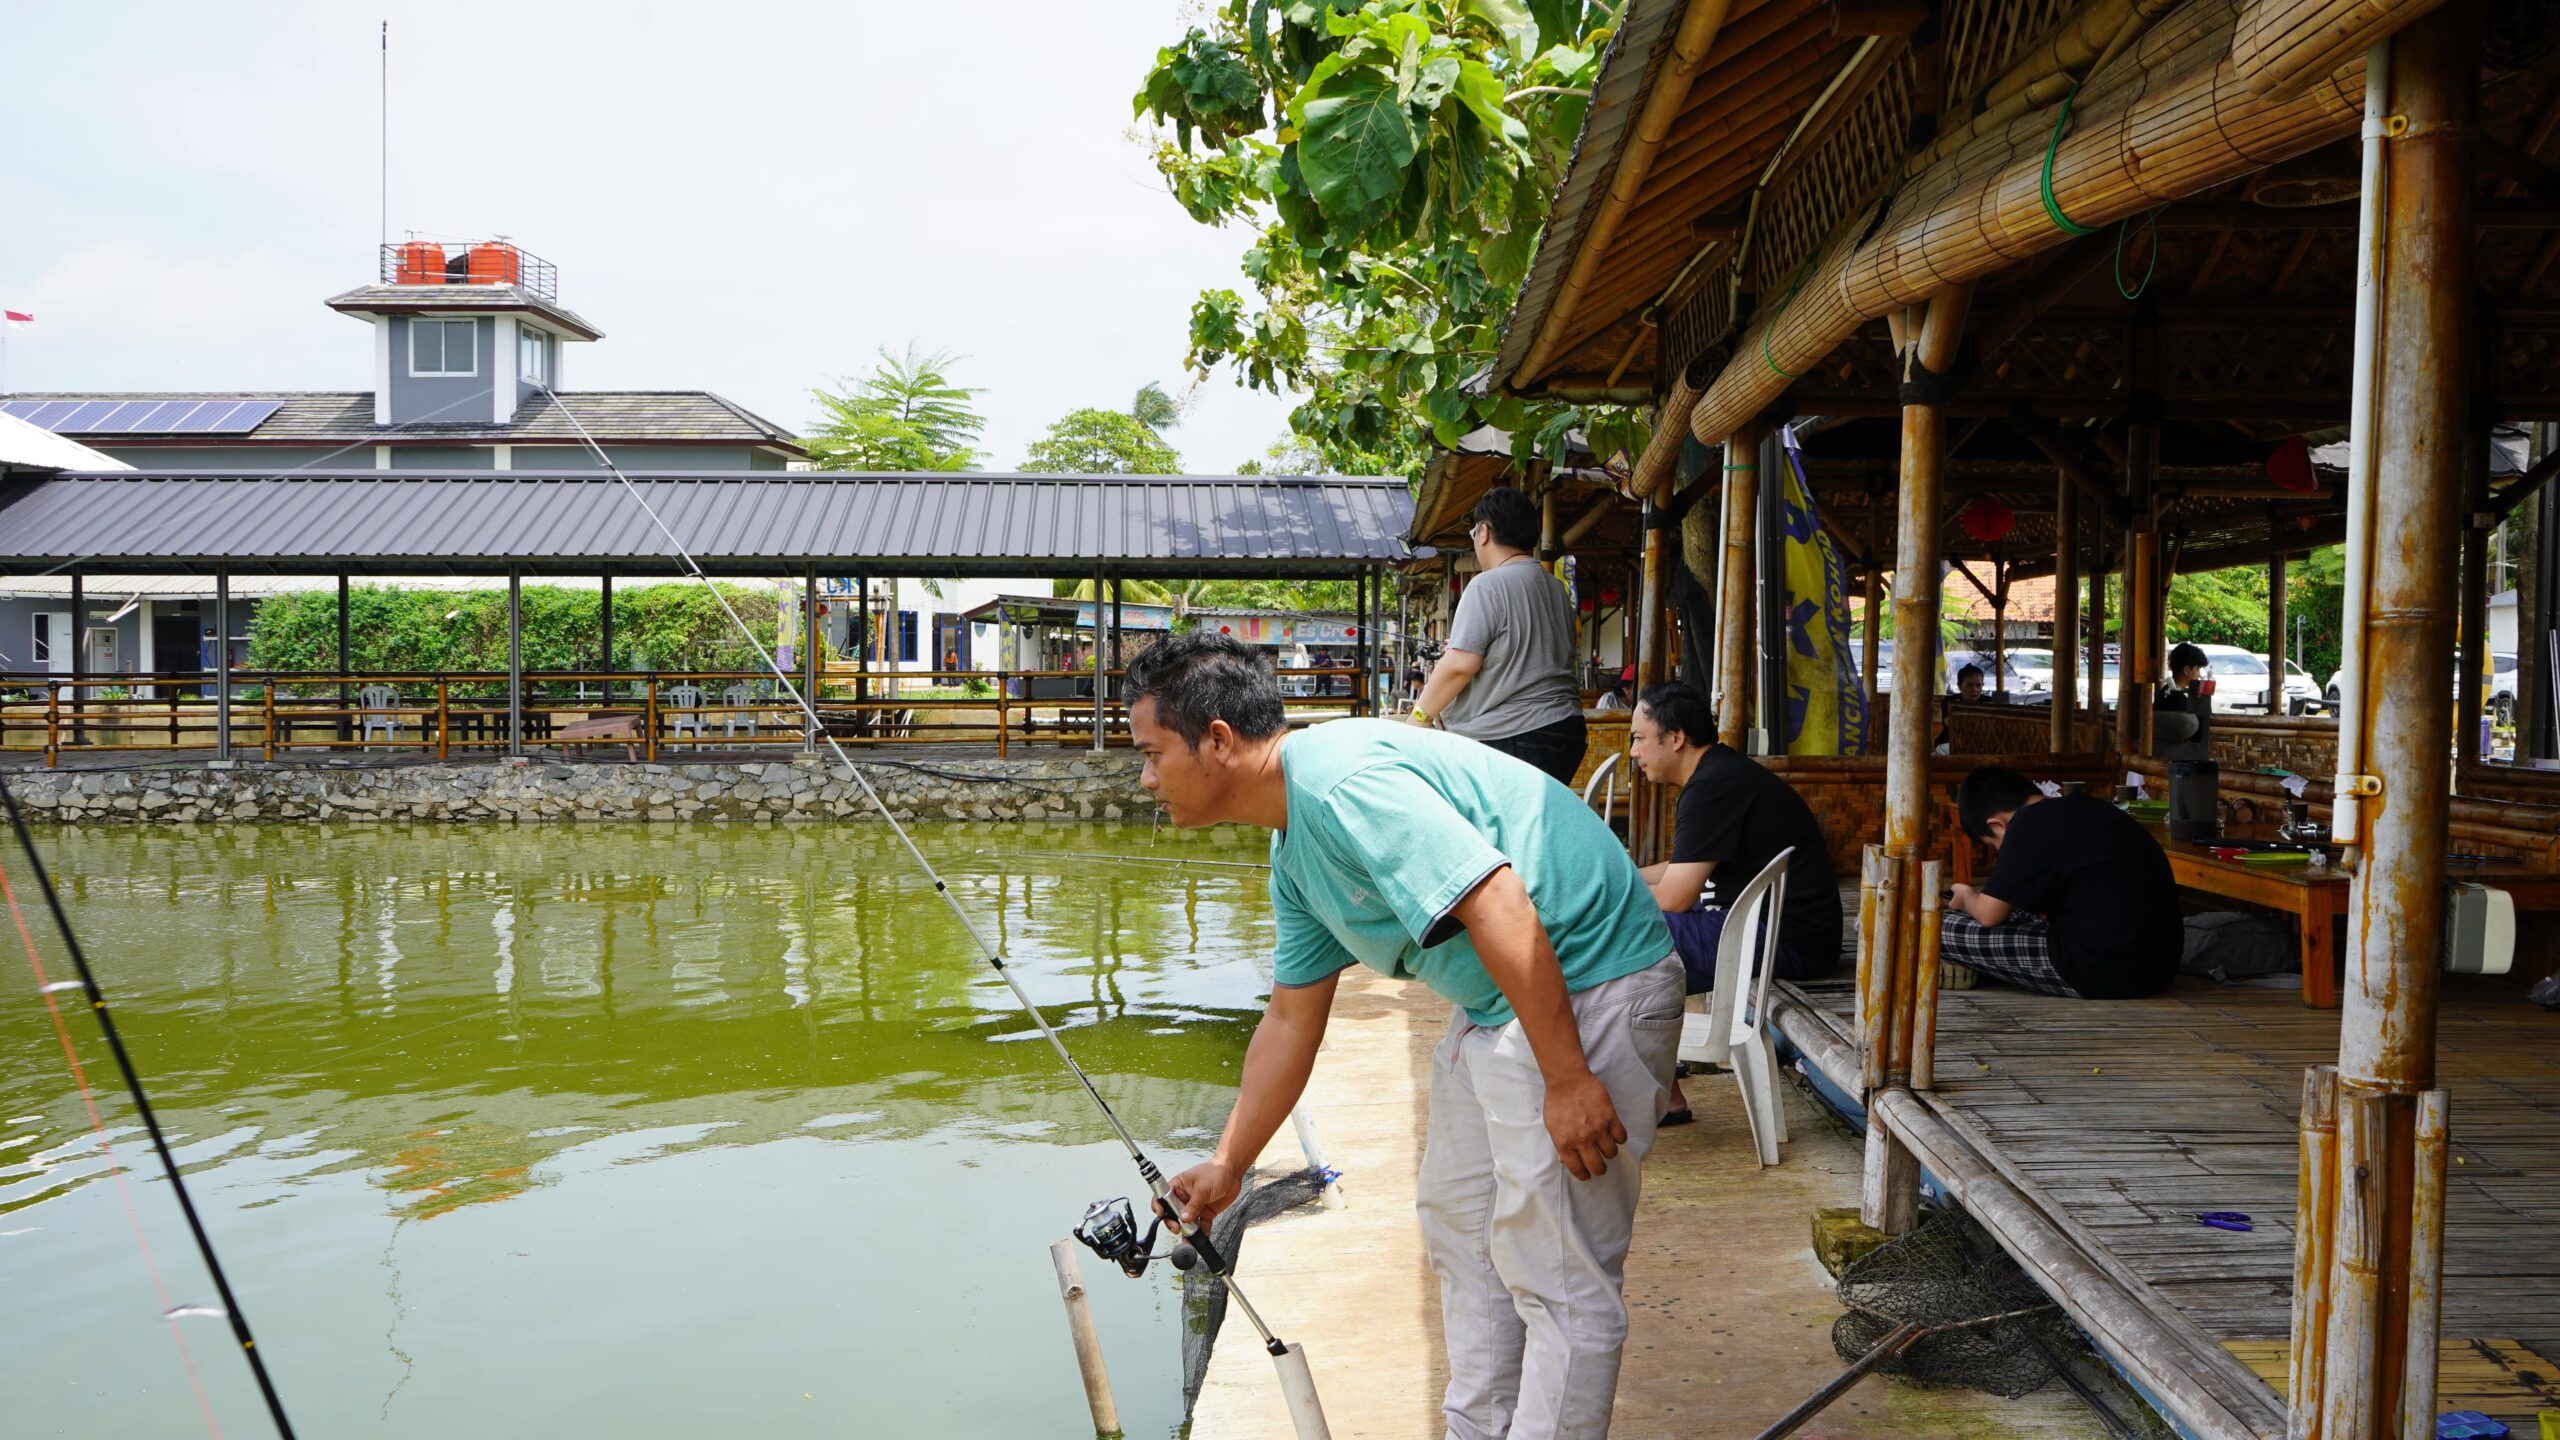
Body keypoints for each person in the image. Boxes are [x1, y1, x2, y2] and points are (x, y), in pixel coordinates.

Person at [1132, 633, 1680, 1440]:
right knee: (1460, 1228)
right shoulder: (1294, 848)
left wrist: (1567, 1077)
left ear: (1217, 741)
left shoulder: (1343, 783)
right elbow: (1290, 1017)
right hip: (1499, 1009)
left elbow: (1499, 904)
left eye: (1151, 754)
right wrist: (1228, 1164)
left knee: (1559, 1271)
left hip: (1590, 986)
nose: (1145, 780)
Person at [1627, 682, 1841, 1122]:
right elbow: (1678, 869)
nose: (1634, 751)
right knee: (1618, 932)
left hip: (1786, 939)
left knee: (1613, 937)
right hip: (1771, 929)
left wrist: (1600, 898)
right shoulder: (1718, 774)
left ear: (1676, 737)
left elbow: (1674, 897)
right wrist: (1615, 876)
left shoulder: (1713, 785)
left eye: (1639, 738)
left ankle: (1653, 1092)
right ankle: (1660, 1088)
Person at [1944, 765, 2180, 998]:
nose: (2000, 853)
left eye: (1993, 845)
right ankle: (1967, 966)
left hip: (2101, 969)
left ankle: (1956, 964)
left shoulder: (2026, 824)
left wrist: (1966, 896)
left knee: (1939, 926)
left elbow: (1989, 914)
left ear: (1997, 824)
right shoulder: (2092, 808)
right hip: (2158, 969)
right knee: (2001, 912)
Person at [1411, 487, 1586, 784]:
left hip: (1513, 735)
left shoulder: (1486, 585)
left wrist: (1418, 718)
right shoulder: (1556, 588)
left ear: (1484, 532)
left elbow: (1459, 665)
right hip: (1566, 731)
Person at [1932, 662, 1984, 754]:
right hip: (1950, 743)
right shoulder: (1950, 701)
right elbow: (1949, 722)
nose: (1974, 689)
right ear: (1959, 686)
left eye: (1978, 685)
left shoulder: (1989, 702)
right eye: (1970, 685)